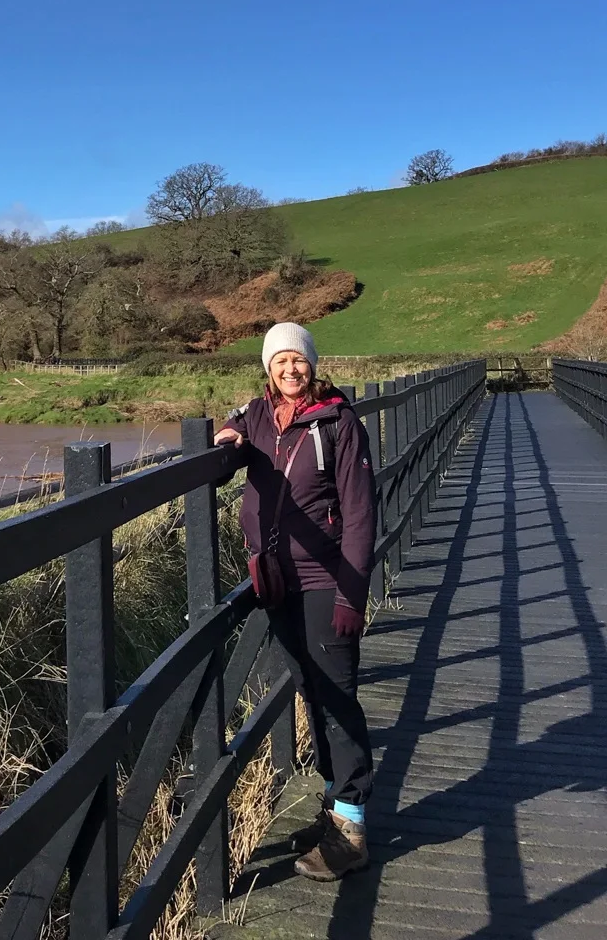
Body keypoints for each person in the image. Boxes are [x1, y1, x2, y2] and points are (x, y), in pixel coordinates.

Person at [214, 322, 376, 881]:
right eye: (280, 361)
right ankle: (335, 810)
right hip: (276, 581)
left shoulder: (339, 422)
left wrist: (353, 594)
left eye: (298, 361)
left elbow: (359, 515)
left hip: (325, 579)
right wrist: (228, 433)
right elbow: (235, 423)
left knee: (337, 699)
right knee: (311, 692)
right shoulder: (257, 415)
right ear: (267, 367)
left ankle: (351, 829)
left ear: (312, 364)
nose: (290, 370)